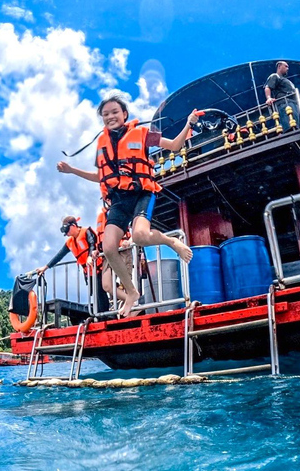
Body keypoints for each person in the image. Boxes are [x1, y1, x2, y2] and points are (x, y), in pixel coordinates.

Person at [56, 95, 196, 317]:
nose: (110, 116)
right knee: (109, 247)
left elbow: (175, 146)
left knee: (140, 235)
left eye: (114, 112)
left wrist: (188, 123)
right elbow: (100, 176)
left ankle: (171, 241)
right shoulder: (102, 144)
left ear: (124, 114)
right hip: (119, 201)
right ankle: (131, 292)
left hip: (142, 193)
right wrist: (72, 170)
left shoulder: (142, 134)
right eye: (105, 114)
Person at [36, 216, 110, 314]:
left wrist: (89, 257)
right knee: (95, 294)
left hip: (99, 268)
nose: (67, 234)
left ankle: (104, 314)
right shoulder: (70, 242)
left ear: (74, 225)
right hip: (89, 272)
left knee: (100, 292)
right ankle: (100, 315)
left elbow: (93, 243)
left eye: (67, 230)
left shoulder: (86, 231)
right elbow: (59, 255)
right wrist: (46, 267)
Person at [96, 204, 134, 309]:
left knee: (126, 283)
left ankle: (131, 307)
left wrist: (129, 241)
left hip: (123, 250)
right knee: (107, 285)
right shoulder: (101, 216)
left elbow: (138, 228)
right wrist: (96, 251)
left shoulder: (126, 209)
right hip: (107, 254)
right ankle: (132, 303)